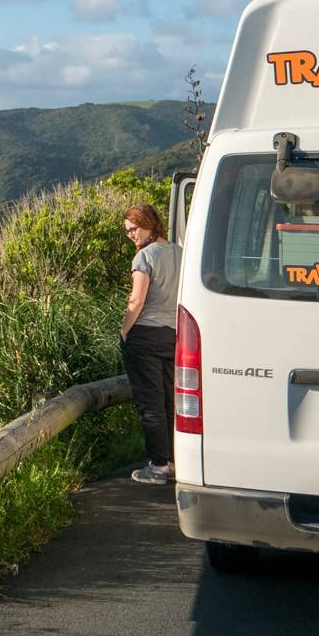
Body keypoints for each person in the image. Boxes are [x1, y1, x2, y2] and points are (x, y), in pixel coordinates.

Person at [119, 202, 181, 486]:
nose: (131, 235)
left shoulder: (144, 257)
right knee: (170, 400)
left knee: (150, 403)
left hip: (145, 334)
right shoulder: (181, 254)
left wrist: (124, 331)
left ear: (148, 224)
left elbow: (137, 300)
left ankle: (157, 467)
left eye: (134, 229)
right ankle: (171, 461)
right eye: (128, 231)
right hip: (173, 335)